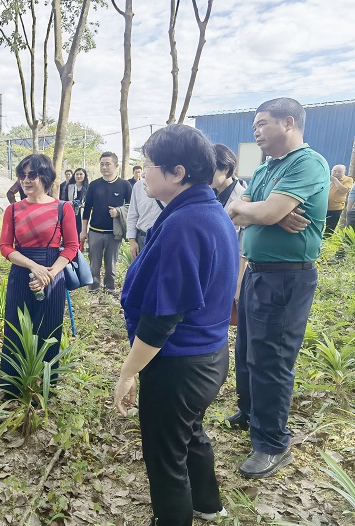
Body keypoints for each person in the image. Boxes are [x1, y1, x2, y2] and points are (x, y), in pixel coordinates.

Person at [114, 124, 238, 526]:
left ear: (177, 172)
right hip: (208, 356)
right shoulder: (207, 211)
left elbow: (164, 316)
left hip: (180, 364)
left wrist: (128, 371)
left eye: (148, 165)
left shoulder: (187, 223)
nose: (143, 172)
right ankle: (208, 503)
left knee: (165, 457)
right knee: (190, 434)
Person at [226, 97, 329, 479]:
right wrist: (268, 213)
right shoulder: (268, 167)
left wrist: (267, 212)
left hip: (287, 277)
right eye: (253, 125)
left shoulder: (308, 163)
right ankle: (250, 413)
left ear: (289, 123)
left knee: (271, 359)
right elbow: (233, 211)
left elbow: (259, 211)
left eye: (261, 123)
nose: (255, 132)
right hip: (257, 272)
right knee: (248, 349)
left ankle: (272, 443)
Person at [0, 154, 78, 398]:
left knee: (49, 329)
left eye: (31, 175)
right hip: (22, 272)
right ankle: (11, 387)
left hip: (53, 273)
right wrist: (34, 267)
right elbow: (5, 247)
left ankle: (44, 388)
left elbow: (72, 246)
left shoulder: (62, 208)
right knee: (15, 328)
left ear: (45, 177)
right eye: (22, 175)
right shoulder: (13, 210)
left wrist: (51, 272)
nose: (26, 180)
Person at [79, 152, 131, 296]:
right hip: (95, 231)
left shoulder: (124, 185)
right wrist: (84, 230)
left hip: (114, 232)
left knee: (111, 264)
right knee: (94, 264)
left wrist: (118, 211)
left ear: (116, 165)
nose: (104, 167)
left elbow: (131, 207)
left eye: (108, 164)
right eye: (102, 164)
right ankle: (93, 288)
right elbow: (87, 208)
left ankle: (110, 288)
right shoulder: (94, 185)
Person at [212, 144, 247, 302]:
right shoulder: (206, 193)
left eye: (211, 169)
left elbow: (243, 248)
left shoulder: (243, 198)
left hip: (228, 268)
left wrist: (238, 285)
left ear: (226, 169)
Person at [125, 177, 162, 260]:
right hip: (141, 239)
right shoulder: (138, 186)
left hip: (161, 239)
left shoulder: (170, 186)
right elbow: (132, 215)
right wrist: (132, 241)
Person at [325, 164, 352, 236]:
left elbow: (344, 190)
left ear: (344, 172)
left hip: (336, 208)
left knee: (330, 228)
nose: (336, 173)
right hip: (323, 206)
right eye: (334, 171)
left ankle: (326, 242)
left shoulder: (348, 179)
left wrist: (335, 180)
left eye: (340, 172)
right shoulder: (327, 178)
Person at [67, 168, 89, 237]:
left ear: (85, 176)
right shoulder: (69, 187)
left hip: (82, 213)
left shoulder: (88, 188)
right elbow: (63, 200)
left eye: (81, 174)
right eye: (77, 174)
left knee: (80, 232)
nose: (79, 176)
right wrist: (69, 202)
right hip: (70, 211)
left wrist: (83, 205)